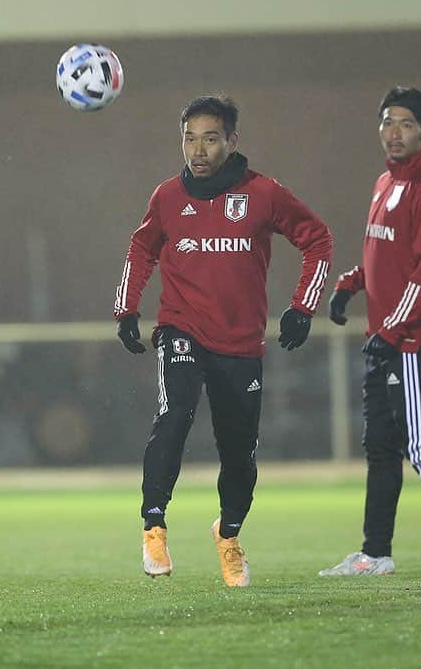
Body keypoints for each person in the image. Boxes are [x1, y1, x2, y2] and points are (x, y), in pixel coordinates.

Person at [114, 95, 332, 587]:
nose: (198, 149)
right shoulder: (167, 197)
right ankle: (153, 525)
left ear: (232, 141)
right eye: (189, 138)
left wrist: (303, 307)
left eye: (210, 138)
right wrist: (126, 309)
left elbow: (317, 240)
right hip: (181, 330)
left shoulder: (264, 194)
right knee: (174, 416)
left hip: (241, 343)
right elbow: (141, 248)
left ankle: (228, 534)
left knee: (238, 451)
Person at [318, 87, 421, 579]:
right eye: (388, 122)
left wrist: (392, 330)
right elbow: (380, 257)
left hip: (410, 343)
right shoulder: (384, 183)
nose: (394, 132)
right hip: (384, 339)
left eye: (407, 124)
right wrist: (349, 285)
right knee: (381, 450)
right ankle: (376, 554)